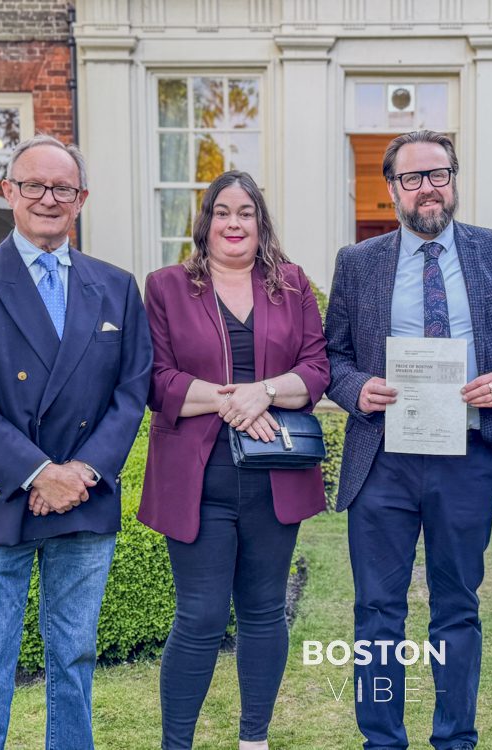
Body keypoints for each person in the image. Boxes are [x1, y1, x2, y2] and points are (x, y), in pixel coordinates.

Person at [0, 134, 152, 750]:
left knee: (75, 659)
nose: (48, 198)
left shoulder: (116, 286)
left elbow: (131, 391)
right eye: (34, 185)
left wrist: (80, 473)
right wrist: (38, 473)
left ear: (82, 199)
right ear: (9, 191)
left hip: (85, 496)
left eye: (62, 188)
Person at [325, 130, 492, 750]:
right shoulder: (357, 262)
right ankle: (382, 740)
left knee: (457, 607)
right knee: (376, 611)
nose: (428, 188)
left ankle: (455, 738)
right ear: (392, 188)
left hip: (467, 459)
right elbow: (332, 354)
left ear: (454, 179)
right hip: (382, 461)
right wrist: (356, 387)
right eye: (413, 178)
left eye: (438, 174)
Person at [137, 170, 330, 750]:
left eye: (246, 212)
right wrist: (236, 401)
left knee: (265, 611)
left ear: (260, 222)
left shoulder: (292, 284)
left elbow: (316, 370)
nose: (234, 223)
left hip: (276, 477)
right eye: (222, 212)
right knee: (198, 616)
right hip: (198, 481)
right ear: (206, 222)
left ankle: (254, 740)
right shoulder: (167, 287)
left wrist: (264, 391)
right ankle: (176, 744)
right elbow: (156, 379)